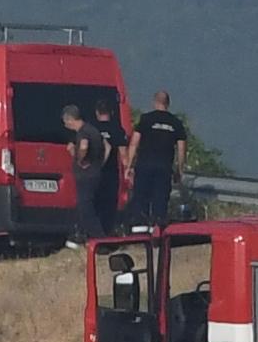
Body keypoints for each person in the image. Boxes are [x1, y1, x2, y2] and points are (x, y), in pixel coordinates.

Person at [124, 93, 192, 232]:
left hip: (144, 165)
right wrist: (179, 169)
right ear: (168, 103)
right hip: (164, 166)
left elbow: (134, 143)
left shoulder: (146, 119)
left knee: (141, 196)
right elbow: (181, 148)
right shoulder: (175, 123)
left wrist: (129, 165)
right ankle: (158, 226)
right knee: (160, 197)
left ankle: (140, 226)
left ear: (155, 102)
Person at [66, 103, 122, 240]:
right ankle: (98, 235)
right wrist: (100, 163)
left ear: (70, 119)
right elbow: (108, 147)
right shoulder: (93, 129)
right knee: (96, 205)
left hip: (86, 175)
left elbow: (84, 146)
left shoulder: (83, 132)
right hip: (97, 173)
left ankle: (99, 238)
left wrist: (78, 158)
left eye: (65, 122)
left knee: (85, 207)